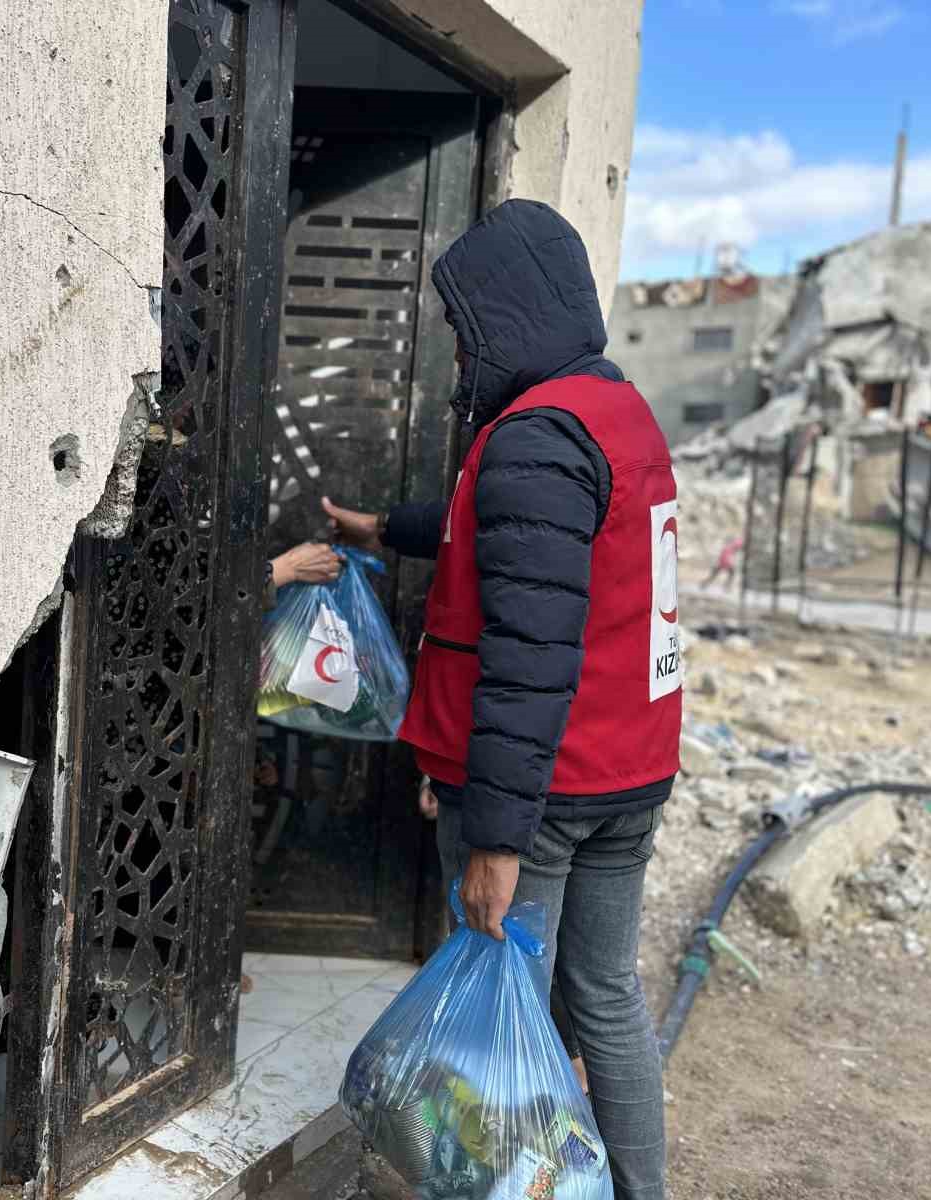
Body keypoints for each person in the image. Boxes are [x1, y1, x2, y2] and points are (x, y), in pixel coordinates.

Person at [324, 199, 678, 1200]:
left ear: (509, 311)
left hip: (545, 793)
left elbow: (529, 654)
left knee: (501, 1033)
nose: (457, 346)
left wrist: (495, 841)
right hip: (625, 773)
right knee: (604, 997)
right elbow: (515, 537)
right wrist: (383, 527)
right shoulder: (610, 412)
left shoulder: (534, 435)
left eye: (462, 323)